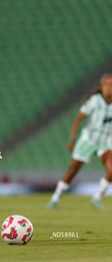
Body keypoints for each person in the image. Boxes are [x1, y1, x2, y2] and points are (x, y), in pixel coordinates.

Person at [48, 74, 112, 210]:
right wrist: (72, 139)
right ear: (101, 87)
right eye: (107, 84)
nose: (109, 87)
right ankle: (55, 198)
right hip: (88, 140)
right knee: (72, 171)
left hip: (105, 142)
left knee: (111, 170)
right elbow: (78, 119)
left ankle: (97, 198)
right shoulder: (95, 101)